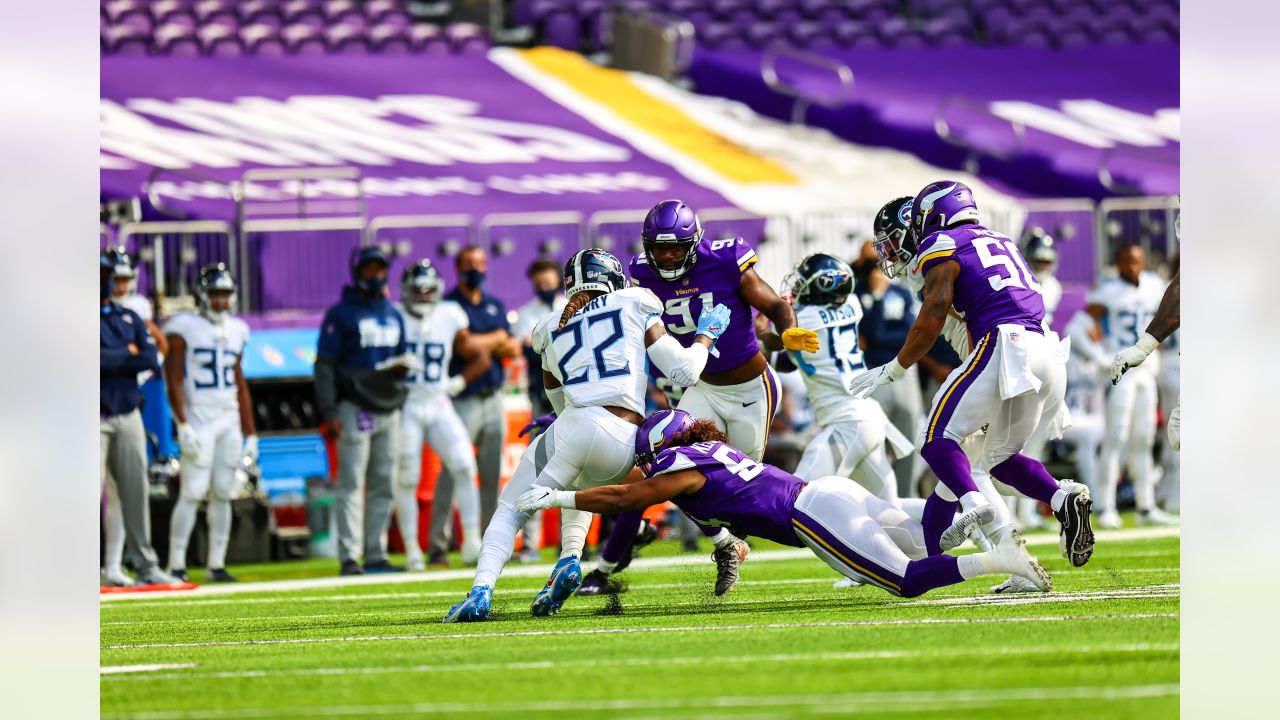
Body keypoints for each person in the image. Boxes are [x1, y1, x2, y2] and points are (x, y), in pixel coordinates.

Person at [442, 249, 732, 622]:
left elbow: (559, 402)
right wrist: (705, 336)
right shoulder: (636, 301)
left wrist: (570, 429)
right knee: (575, 488)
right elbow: (684, 373)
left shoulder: (548, 327)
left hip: (579, 420)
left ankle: (481, 592)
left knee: (511, 509)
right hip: (627, 440)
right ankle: (569, 559)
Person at [517, 409, 1049, 598]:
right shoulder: (711, 452)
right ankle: (952, 487)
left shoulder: (680, 470)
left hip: (815, 514)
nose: (647, 461)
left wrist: (556, 496)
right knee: (930, 542)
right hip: (833, 495)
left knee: (906, 580)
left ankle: (1001, 559)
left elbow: (624, 495)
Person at [577, 199, 819, 596]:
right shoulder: (638, 272)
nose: (668, 255)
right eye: (660, 247)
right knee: (665, 469)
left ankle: (756, 535)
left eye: (676, 247)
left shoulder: (725, 261)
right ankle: (701, 548)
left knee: (732, 493)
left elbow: (774, 304)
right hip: (700, 387)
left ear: (694, 242)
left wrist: (786, 332)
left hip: (749, 390)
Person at [852, 181, 1094, 569]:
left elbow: (935, 316)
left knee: (934, 439)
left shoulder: (938, 247)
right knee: (996, 461)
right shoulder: (1000, 241)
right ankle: (1059, 500)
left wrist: (896, 367)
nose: (895, 250)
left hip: (1005, 346)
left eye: (908, 231)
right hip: (1046, 350)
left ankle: (976, 508)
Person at [782, 254, 917, 510]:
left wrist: (764, 329)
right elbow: (789, 360)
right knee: (890, 510)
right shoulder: (853, 304)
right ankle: (972, 523)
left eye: (802, 281)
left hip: (848, 422)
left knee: (793, 498)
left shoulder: (804, 318)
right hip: (868, 417)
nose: (796, 286)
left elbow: (770, 340)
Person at [315, 246, 414, 576]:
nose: (376, 275)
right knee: (351, 482)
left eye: (380, 269)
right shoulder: (341, 314)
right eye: (369, 270)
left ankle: (375, 551)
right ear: (357, 272)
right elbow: (325, 367)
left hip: (389, 406)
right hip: (356, 406)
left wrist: (402, 374)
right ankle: (349, 555)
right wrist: (329, 411)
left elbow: (403, 357)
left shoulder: (393, 312)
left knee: (385, 482)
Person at [392, 260, 490, 571]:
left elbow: (480, 356)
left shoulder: (449, 314)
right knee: (406, 478)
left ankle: (472, 542)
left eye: (429, 290)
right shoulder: (392, 316)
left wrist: (458, 382)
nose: (423, 296)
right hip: (405, 404)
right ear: (406, 291)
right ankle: (411, 549)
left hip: (437, 402)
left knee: (464, 465)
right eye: (418, 291)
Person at [164, 264, 257, 583]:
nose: (220, 302)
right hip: (199, 419)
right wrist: (182, 423)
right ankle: (176, 564)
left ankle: (216, 563)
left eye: (225, 295)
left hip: (228, 419)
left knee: (222, 491)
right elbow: (172, 378)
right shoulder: (184, 327)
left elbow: (239, 380)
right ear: (202, 296)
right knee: (192, 491)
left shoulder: (239, 330)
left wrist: (251, 431)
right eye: (215, 295)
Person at [437, 245, 522, 566]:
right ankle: (438, 544)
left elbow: (512, 348)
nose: (475, 269)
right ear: (457, 268)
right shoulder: (449, 305)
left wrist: (489, 340)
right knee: (452, 471)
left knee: (491, 475)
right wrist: (496, 338)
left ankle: (491, 544)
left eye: (480, 263)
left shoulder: (493, 303)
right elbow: (463, 345)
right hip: (461, 398)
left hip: (492, 397)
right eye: (469, 264)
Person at [100, 249, 176, 587]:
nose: (113, 284)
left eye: (116, 278)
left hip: (128, 410)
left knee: (134, 490)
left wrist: (114, 358)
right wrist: (123, 355)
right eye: (109, 278)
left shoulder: (130, 317)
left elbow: (149, 357)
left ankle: (145, 565)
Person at [1087, 244, 1177, 527]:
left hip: (1147, 371)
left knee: (1144, 439)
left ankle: (1145, 505)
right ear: (1117, 263)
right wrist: (1100, 356)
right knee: (1116, 437)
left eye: (1136, 261)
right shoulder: (1106, 291)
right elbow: (1084, 323)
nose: (1132, 266)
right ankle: (1104, 505)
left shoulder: (1154, 285)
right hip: (1121, 371)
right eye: (1126, 261)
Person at [862, 213, 927, 496]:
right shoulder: (862, 293)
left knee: (909, 439)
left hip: (904, 370)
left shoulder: (903, 291)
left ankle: (906, 496)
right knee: (873, 441)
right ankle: (878, 497)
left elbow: (909, 332)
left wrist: (884, 338)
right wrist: (876, 298)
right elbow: (870, 332)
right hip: (875, 371)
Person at [508, 258, 568, 562]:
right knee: (535, 467)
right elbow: (528, 348)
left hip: (572, 397)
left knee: (573, 469)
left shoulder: (571, 303)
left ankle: (569, 543)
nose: (546, 288)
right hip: (541, 397)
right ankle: (531, 544)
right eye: (540, 283)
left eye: (549, 282)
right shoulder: (528, 313)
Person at [1023, 229, 1063, 327]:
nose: (1042, 266)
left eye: (1046, 262)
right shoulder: (1021, 281)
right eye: (1039, 261)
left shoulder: (1054, 286)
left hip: (1044, 330)